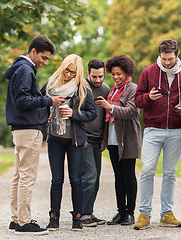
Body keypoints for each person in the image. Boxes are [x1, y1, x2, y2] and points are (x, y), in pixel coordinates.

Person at [5, 35, 64, 235]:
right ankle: (24, 222)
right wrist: (49, 102)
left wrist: (41, 111)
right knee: (27, 177)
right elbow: (23, 101)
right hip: (28, 129)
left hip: (22, 128)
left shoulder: (21, 69)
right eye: (44, 58)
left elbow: (23, 100)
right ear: (33, 52)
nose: (45, 62)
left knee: (19, 176)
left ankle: (16, 219)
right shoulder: (25, 70)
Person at [133, 39, 181, 230]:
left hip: (176, 130)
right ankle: (144, 213)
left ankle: (167, 213)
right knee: (147, 170)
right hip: (153, 129)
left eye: (170, 59)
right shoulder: (148, 72)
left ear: (177, 55)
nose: (167, 62)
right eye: (163, 58)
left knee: (170, 173)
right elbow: (137, 101)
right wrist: (148, 98)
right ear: (159, 55)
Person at [43, 54, 97, 231]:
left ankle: (77, 218)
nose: (68, 75)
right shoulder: (51, 84)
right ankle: (53, 218)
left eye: (73, 73)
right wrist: (46, 116)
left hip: (75, 139)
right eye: (67, 70)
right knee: (56, 180)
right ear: (62, 67)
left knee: (76, 180)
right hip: (54, 139)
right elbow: (39, 103)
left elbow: (92, 114)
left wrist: (74, 114)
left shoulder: (82, 88)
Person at [95, 54, 141, 226]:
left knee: (129, 175)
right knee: (118, 176)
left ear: (126, 72)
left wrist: (110, 107)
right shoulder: (113, 89)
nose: (115, 77)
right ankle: (120, 212)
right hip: (113, 136)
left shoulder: (133, 88)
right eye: (113, 74)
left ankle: (130, 212)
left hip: (127, 136)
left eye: (118, 74)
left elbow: (131, 111)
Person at [81, 59, 110, 227]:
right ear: (88, 73)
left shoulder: (106, 89)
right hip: (84, 139)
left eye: (101, 76)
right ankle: (82, 214)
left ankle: (89, 213)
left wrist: (104, 138)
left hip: (97, 139)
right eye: (94, 76)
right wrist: (81, 136)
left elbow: (106, 117)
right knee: (89, 176)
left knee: (96, 178)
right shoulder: (81, 87)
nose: (98, 80)